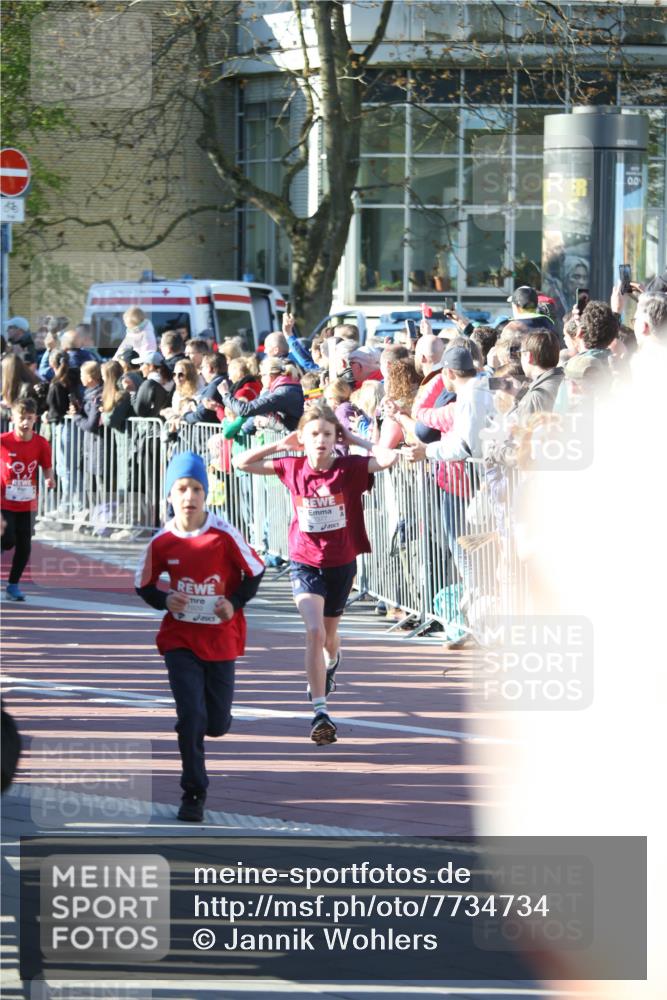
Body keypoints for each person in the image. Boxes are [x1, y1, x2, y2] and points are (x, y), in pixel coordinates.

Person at [234, 402, 398, 745]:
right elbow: (240, 462)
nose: (321, 440)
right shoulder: (291, 466)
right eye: (313, 434)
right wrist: (279, 444)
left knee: (328, 637)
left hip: (340, 563)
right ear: (303, 439)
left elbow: (387, 459)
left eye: (327, 434)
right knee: (313, 631)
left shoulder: (350, 467)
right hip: (305, 560)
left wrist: (355, 438)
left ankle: (333, 659)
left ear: (335, 437)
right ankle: (320, 711)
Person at [135, 451, 264, 822]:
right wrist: (164, 599)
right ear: (170, 496)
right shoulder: (162, 541)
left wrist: (234, 602)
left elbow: (254, 571)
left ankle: (211, 724)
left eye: (195, 488)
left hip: (221, 639)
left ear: (205, 494)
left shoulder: (223, 534)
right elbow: (142, 584)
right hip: (180, 640)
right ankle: (193, 792)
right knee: (190, 716)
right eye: (181, 489)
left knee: (216, 723)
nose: (188, 496)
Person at [1, 399, 55, 601]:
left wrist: (50, 478)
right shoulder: (3, 441)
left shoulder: (41, 443)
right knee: (8, 540)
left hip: (28, 503)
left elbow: (46, 466)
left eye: (29, 419)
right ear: (13, 418)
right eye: (21, 418)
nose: (25, 423)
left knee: (24, 546)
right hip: (4, 501)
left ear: (35, 419)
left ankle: (13, 586)